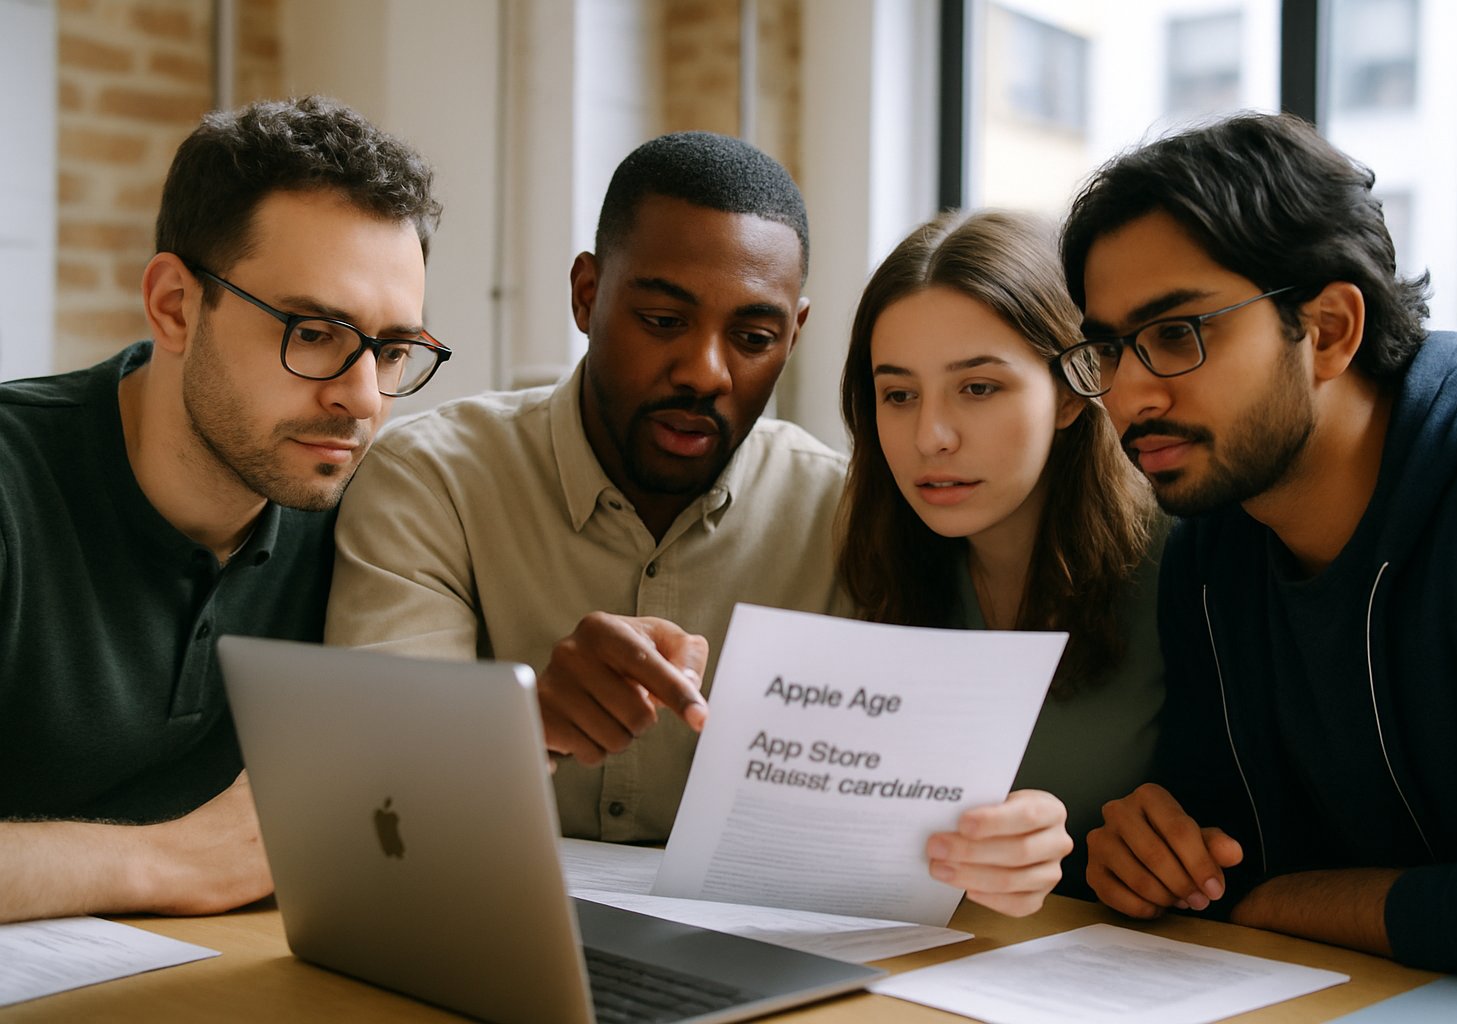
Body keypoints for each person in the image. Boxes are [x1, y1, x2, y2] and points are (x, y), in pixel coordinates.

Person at [1058, 112, 1457, 982]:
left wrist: (1278, 902)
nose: (1128, 395)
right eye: (1109, 348)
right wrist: (1145, 855)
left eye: (1177, 334)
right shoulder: (1212, 543)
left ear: (1329, 330)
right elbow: (1217, 845)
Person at [326, 131, 845, 846]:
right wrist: (524, 723)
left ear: (795, 335)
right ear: (587, 295)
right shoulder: (430, 480)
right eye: (664, 322)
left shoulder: (846, 518)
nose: (705, 373)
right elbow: (377, 786)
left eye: (754, 338)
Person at [0, 96, 446, 924]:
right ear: (175, 305)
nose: (361, 400)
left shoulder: (366, 512)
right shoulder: (12, 483)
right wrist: (165, 861)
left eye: (390, 351)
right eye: (313, 332)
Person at [837, 210, 1162, 911]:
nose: (931, 437)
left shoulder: (1182, 566)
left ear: (1075, 392)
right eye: (898, 394)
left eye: (978, 387)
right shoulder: (879, 561)